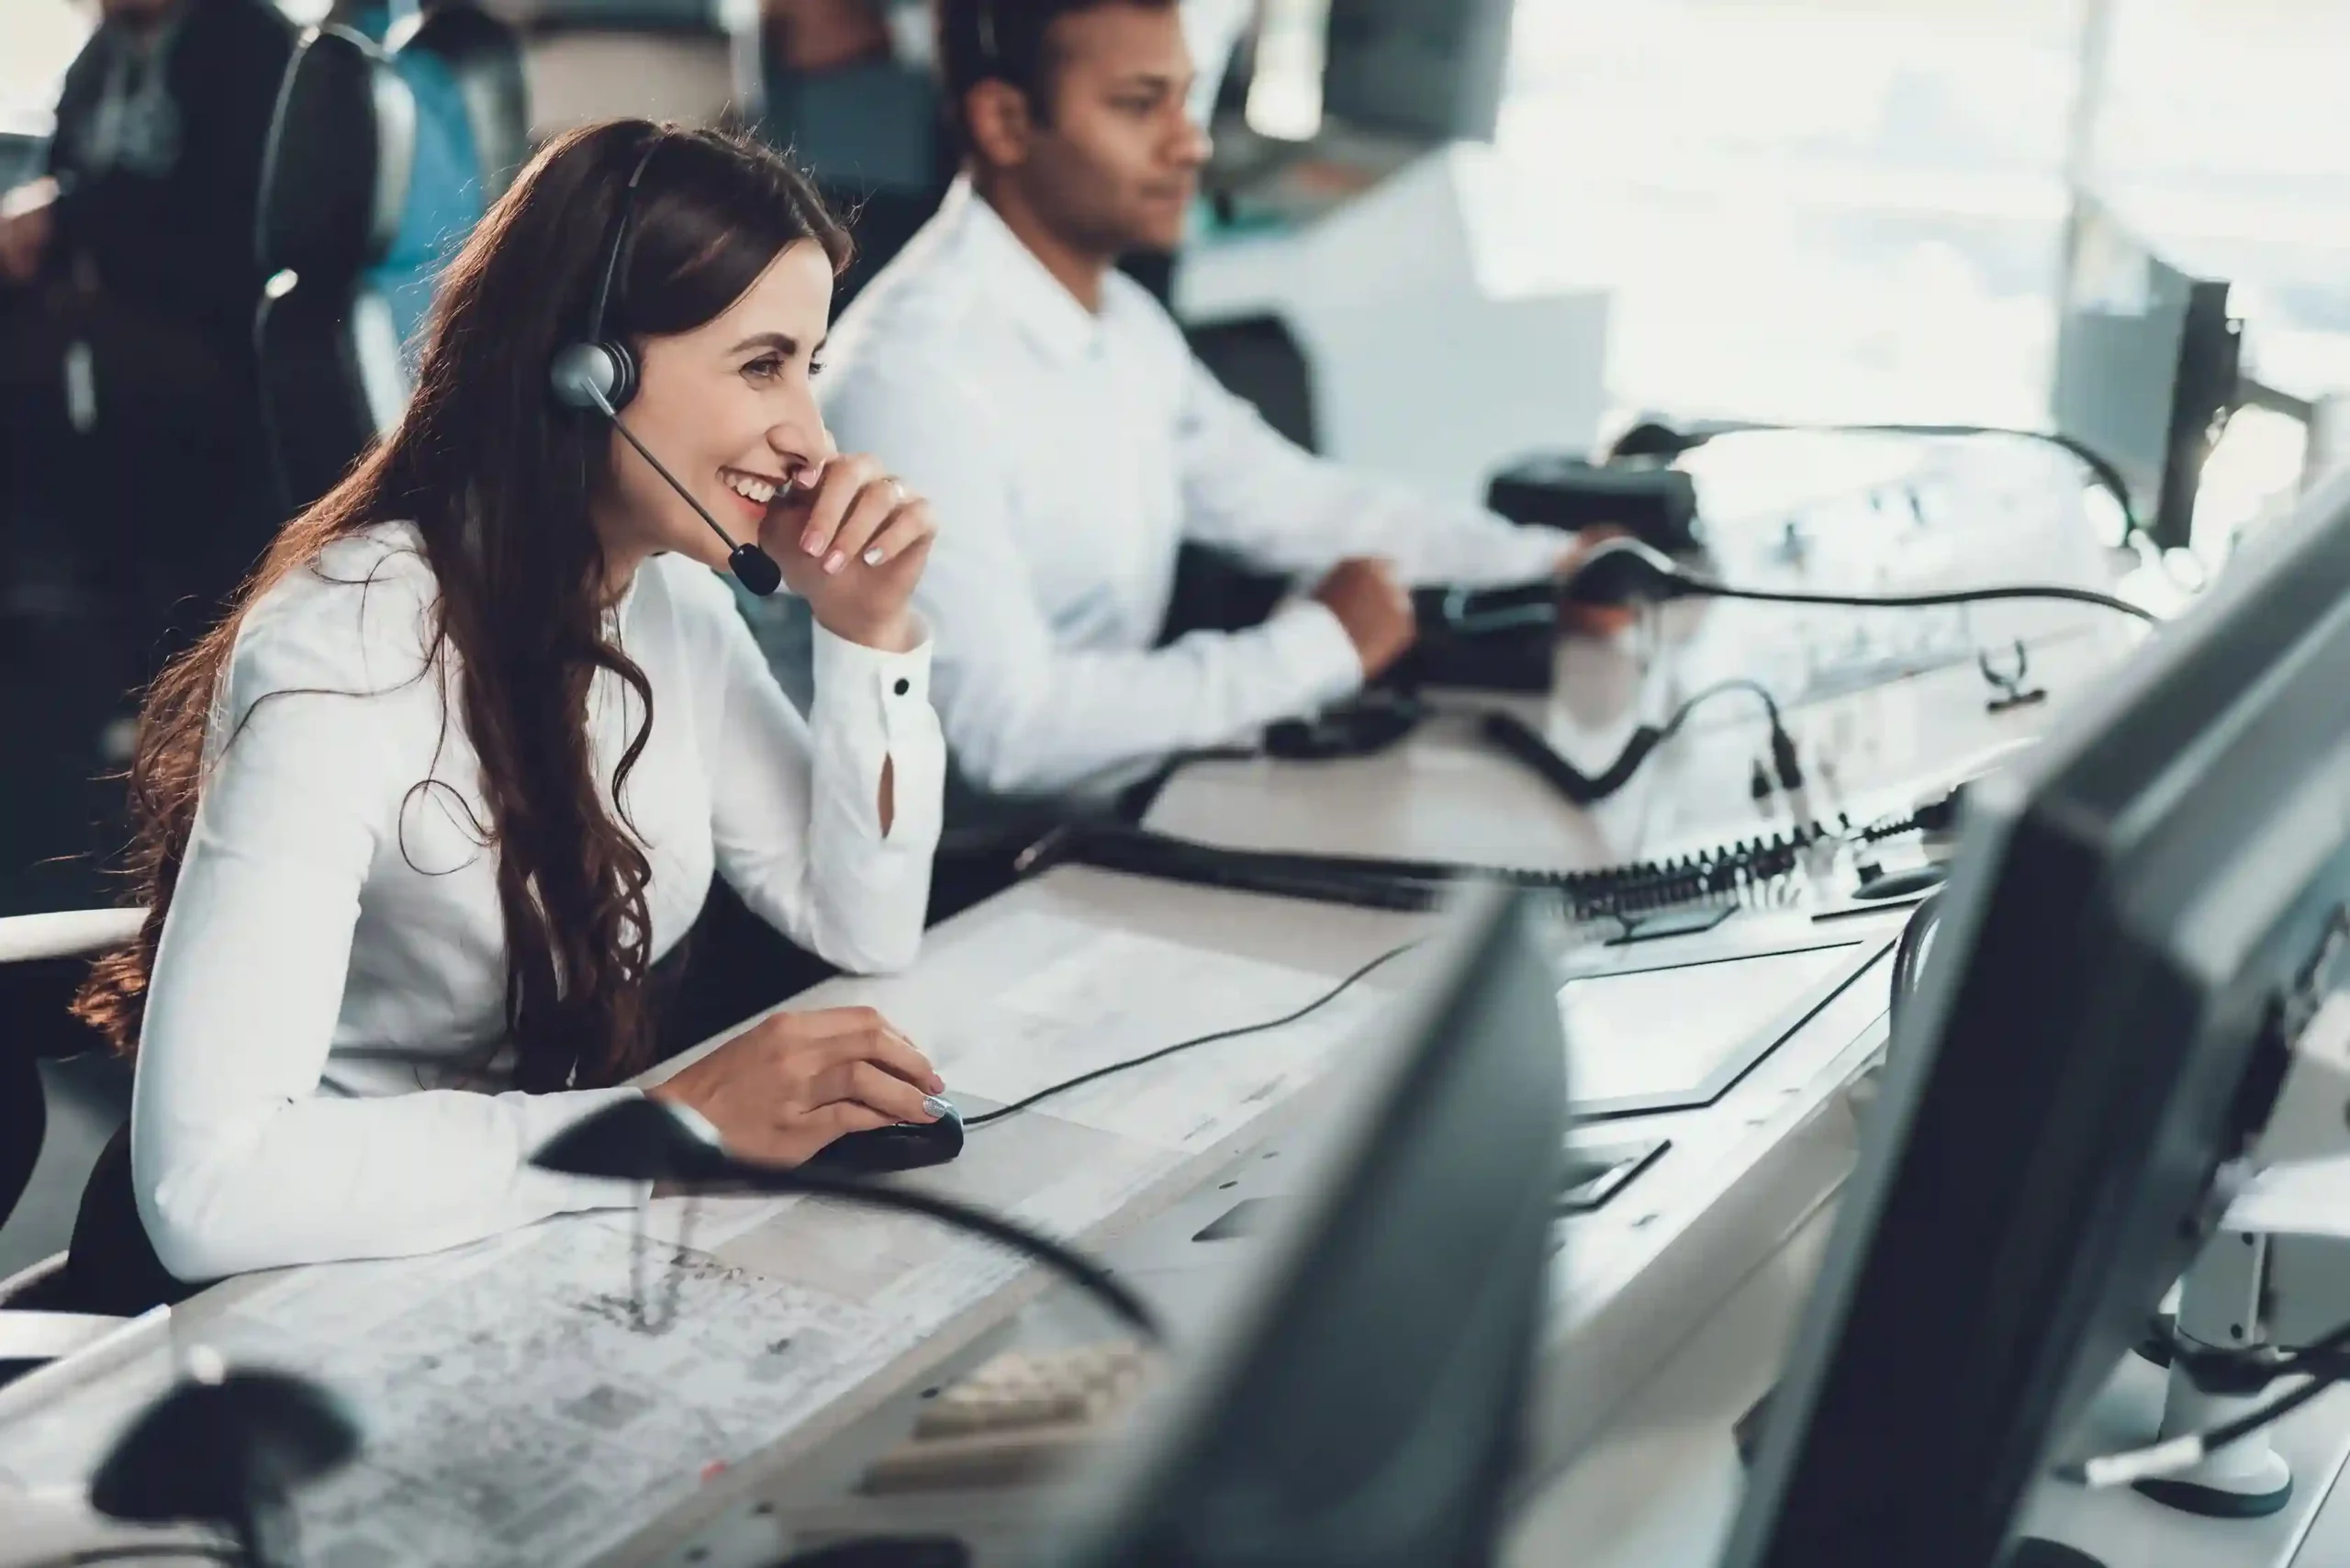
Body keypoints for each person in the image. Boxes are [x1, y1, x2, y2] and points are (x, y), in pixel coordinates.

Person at [63, 121, 953, 1312]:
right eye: (762, 365)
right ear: (589, 371)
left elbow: (864, 916)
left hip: (503, 1243)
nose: (813, 440)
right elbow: (207, 1191)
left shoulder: (669, 602)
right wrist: (663, 1127)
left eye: (811, 366)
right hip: (277, 1284)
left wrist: (867, 634)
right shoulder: (346, 649)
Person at [784, 0, 1622, 809]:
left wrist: (1546, 565)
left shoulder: (1123, 326)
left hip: (1116, 821)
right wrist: (1318, 646)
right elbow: (1005, 734)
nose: (1189, 143)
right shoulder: (917, 376)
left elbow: (1301, 505)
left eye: (1186, 100)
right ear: (1004, 121)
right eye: (1140, 105)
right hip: (971, 890)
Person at [0, 0, 295, 687]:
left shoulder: (249, 45)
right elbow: (68, 167)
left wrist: (69, 221)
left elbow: (234, 236)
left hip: (214, 340)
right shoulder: (102, 57)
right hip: (97, 312)